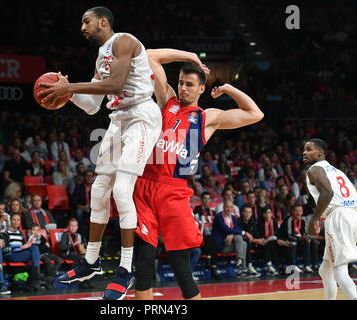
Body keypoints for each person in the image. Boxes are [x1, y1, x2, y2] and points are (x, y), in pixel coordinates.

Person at [42, 6, 163, 300]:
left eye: (86, 21)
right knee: (98, 189)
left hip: (141, 117)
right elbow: (93, 105)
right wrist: (67, 92)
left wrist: (71, 86)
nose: (82, 27)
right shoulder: (101, 56)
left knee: (122, 190)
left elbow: (117, 84)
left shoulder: (124, 41)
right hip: (118, 119)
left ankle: (124, 270)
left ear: (103, 21)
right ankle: (91, 262)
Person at [132, 48, 263, 300]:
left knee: (181, 267)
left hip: (174, 191)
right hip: (145, 186)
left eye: (189, 85)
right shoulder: (167, 100)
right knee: (144, 263)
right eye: (181, 82)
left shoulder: (206, 118)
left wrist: (227, 89)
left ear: (201, 89)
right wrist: (190, 56)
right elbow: (148, 56)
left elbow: (255, 114)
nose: (183, 88)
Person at [304, 138, 357, 300]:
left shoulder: (315, 169)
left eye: (309, 149)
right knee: (325, 269)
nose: (304, 152)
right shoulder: (338, 172)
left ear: (320, 153)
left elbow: (327, 193)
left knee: (339, 272)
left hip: (338, 217)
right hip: (352, 215)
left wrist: (313, 220)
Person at [213, 200, 254, 278]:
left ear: (233, 209)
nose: (229, 209)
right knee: (239, 237)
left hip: (231, 244)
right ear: (223, 207)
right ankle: (241, 267)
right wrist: (244, 233)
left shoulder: (233, 217)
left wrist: (233, 234)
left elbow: (235, 229)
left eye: (231, 207)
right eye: (227, 207)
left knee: (243, 242)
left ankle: (241, 267)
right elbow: (226, 229)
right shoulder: (218, 217)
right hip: (221, 245)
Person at [2, 212, 42, 291]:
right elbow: (5, 249)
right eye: (14, 220)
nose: (16, 222)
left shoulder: (21, 233)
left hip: (23, 253)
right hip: (12, 255)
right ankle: (36, 275)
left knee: (34, 247)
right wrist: (20, 247)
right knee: (35, 253)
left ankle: (36, 272)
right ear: (10, 220)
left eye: (18, 220)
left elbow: (25, 245)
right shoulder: (5, 233)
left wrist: (27, 245)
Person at [193, 192, 220, 279]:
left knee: (213, 241)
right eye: (205, 198)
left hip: (211, 238)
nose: (206, 200)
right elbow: (197, 222)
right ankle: (213, 269)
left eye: (208, 198)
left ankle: (210, 264)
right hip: (200, 237)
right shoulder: (197, 209)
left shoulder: (212, 211)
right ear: (201, 199)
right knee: (210, 239)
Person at [28, 223, 63, 289]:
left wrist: (43, 243)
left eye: (37, 230)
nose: (35, 232)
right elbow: (35, 246)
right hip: (41, 254)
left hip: (48, 253)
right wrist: (42, 243)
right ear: (30, 231)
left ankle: (50, 277)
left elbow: (46, 243)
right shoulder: (31, 238)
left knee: (59, 260)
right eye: (33, 230)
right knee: (48, 261)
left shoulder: (40, 236)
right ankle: (48, 281)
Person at [254, 206, 281, 276]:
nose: (267, 215)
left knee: (272, 243)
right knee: (268, 244)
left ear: (272, 214)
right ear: (263, 215)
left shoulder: (274, 222)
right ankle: (274, 266)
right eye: (265, 213)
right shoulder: (260, 223)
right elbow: (258, 235)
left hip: (272, 242)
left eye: (269, 213)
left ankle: (274, 266)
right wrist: (263, 239)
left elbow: (277, 233)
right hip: (262, 242)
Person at [70, 169, 95, 240]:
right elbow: (73, 202)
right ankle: (82, 236)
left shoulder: (95, 188)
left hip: (92, 210)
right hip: (81, 209)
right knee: (78, 212)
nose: (89, 178)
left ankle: (94, 238)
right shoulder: (78, 188)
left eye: (91, 176)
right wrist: (82, 207)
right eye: (87, 176)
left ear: (93, 177)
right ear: (84, 177)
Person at [237, 205, 261, 277]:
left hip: (251, 241)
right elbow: (240, 236)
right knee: (246, 242)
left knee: (266, 243)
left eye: (250, 212)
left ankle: (270, 266)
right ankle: (249, 266)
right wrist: (255, 239)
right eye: (246, 212)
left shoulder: (252, 221)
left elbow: (257, 235)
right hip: (240, 243)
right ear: (242, 213)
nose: (248, 214)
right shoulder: (238, 221)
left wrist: (259, 240)